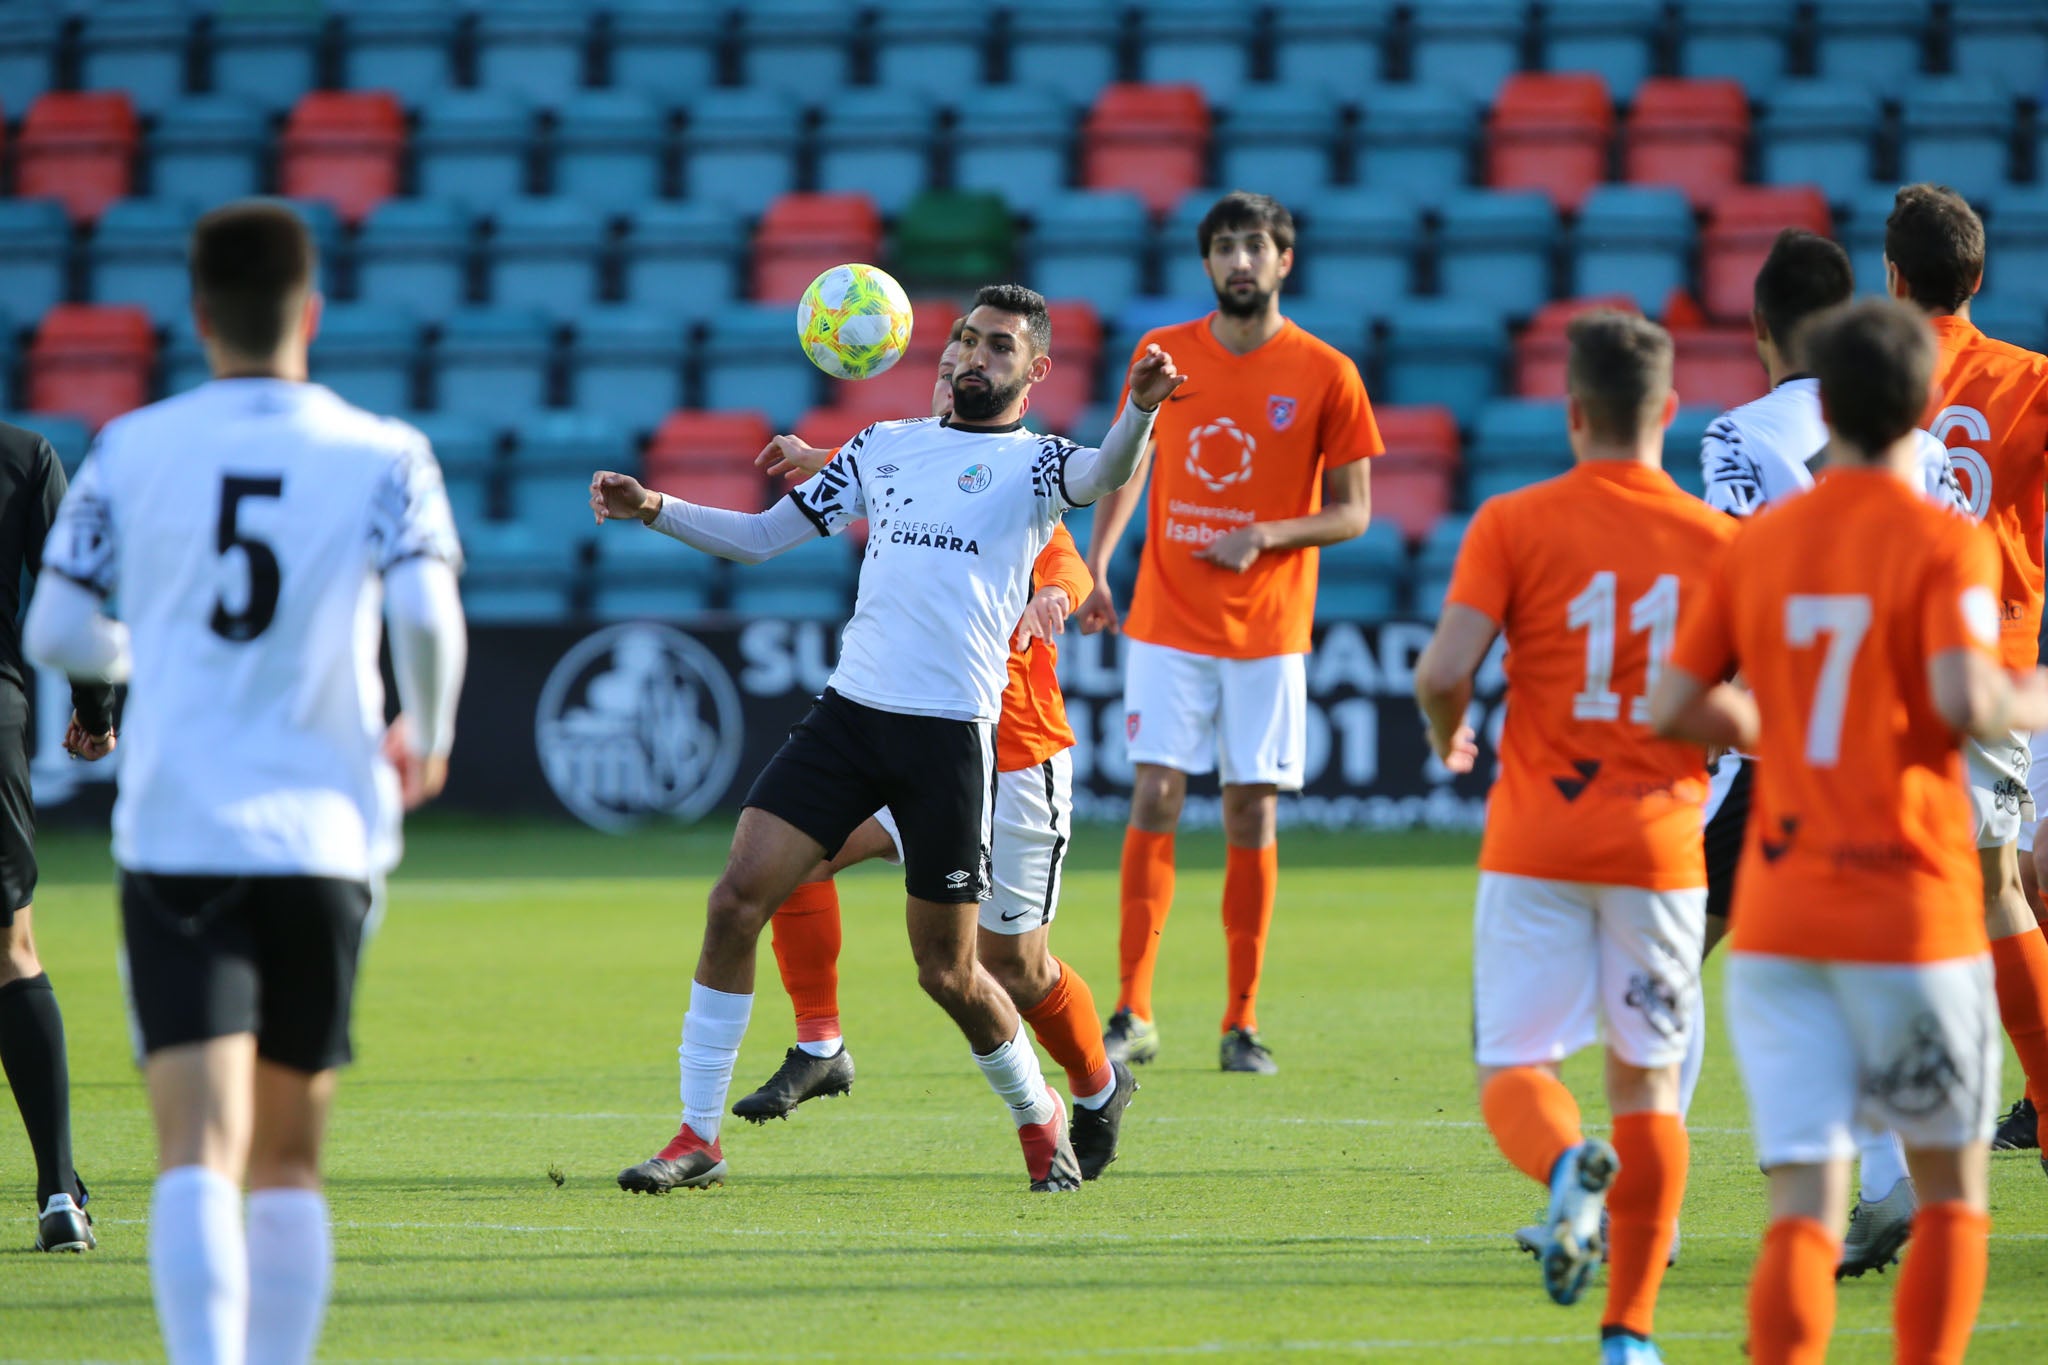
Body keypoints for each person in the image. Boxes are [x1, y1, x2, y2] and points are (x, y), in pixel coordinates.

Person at [592, 285, 1180, 1194]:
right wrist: (653, 507)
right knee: (735, 900)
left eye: (996, 346)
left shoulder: (1035, 467)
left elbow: (1104, 475)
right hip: (848, 717)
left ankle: (1043, 1113)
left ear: (1036, 370)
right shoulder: (884, 447)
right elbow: (759, 537)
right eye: (963, 341)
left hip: (949, 741)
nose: (972, 358)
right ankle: (697, 1135)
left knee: (953, 972)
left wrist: (1139, 407)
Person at [24, 200, 468, 1365]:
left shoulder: (135, 447)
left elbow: (58, 621)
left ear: (199, 315)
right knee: (286, 1156)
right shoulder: (387, 452)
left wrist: (138, 656)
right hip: (324, 833)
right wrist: (428, 725)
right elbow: (426, 605)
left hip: (178, 829)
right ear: (310, 313)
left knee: (193, 1153)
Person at [1651, 297, 2048, 1365]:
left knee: (1798, 1205)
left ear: (1825, 405)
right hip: (1906, 915)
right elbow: (1968, 699)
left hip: (1782, 920)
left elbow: (1676, 702)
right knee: (1951, 1198)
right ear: (1919, 406)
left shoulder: (1761, 545)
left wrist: (1770, 718)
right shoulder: (1942, 545)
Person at [732, 321, 1138, 1179]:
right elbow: (884, 472)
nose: (957, 380)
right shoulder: (914, 461)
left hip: (1013, 759)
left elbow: (1065, 562)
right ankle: (820, 1040)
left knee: (1011, 969)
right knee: (796, 855)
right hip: (905, 742)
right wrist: (821, 459)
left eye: (978, 364)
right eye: (949, 367)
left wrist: (1058, 601)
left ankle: (1099, 1084)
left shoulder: (1018, 484)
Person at [1414, 312, 1731, 1365]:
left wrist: (1448, 730)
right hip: (1661, 849)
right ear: (1669, 414)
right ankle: (1630, 1335)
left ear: (1571, 413)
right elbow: (1749, 702)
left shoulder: (1513, 519)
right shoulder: (1719, 541)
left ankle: (1561, 1171)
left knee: (1514, 1063)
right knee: (1648, 1081)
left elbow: (1441, 670)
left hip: (1537, 840)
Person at [1692, 228, 1969, 1276]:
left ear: (1758, 329)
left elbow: (1724, 579)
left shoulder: (1735, 433)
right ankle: (1895, 1180)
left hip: (1782, 753)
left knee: (1672, 963)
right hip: (1906, 763)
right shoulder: (1928, 448)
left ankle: (1653, 1211)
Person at [1075, 191, 1381, 1074]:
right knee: (1157, 795)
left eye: (1256, 246)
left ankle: (1240, 1020)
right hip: (1169, 616)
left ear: (1286, 261)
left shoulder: (1327, 372)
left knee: (1251, 806)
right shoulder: (1165, 356)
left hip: (1271, 627)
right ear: (1206, 263)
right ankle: (1133, 1007)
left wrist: (1267, 535)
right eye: (1224, 248)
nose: (1240, 261)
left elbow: (1355, 512)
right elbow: (1128, 463)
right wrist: (1100, 565)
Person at [1883, 185, 2048, 1187]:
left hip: (1880, 668)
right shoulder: (2029, 379)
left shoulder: (1861, 377)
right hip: (1992, 664)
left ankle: (1896, 1161)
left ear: (1891, 277)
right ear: (1976, 278)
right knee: (1996, 892)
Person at [0, 418, 118, 1254]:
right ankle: (57, 1193)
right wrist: (96, 709)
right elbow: (74, 591)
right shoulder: (22, 454)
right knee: (10, 946)